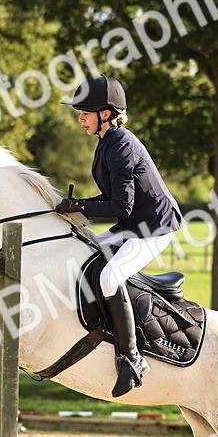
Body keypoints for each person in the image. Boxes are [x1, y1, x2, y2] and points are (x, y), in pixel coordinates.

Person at [54, 74, 183, 397]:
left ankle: (132, 358)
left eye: (85, 112)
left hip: (153, 227)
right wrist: (75, 207)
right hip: (133, 225)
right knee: (86, 252)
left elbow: (121, 206)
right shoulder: (107, 143)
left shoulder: (121, 145)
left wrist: (81, 205)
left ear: (107, 114)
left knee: (110, 278)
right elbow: (115, 202)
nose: (80, 118)